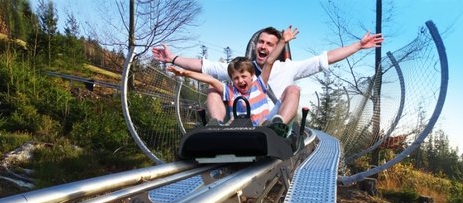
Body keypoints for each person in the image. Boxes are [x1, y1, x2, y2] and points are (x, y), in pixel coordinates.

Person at [152, 26, 383, 128]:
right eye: (261, 42)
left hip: (269, 116)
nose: (263, 46)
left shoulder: (288, 67)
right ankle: (218, 126)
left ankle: (278, 127)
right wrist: (173, 59)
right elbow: (206, 67)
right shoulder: (243, 70)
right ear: (256, 45)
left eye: (269, 44)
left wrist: (358, 46)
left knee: (293, 90)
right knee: (215, 88)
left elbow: (326, 58)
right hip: (242, 116)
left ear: (277, 48)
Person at [167, 26, 299, 136]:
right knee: (214, 91)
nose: (240, 81)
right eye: (236, 78)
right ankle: (217, 126)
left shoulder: (259, 84)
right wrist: (184, 73)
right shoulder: (230, 91)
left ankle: (276, 127)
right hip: (244, 128)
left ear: (252, 76)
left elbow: (269, 61)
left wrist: (283, 41)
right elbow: (210, 80)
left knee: (291, 93)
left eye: (243, 77)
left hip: (263, 123)